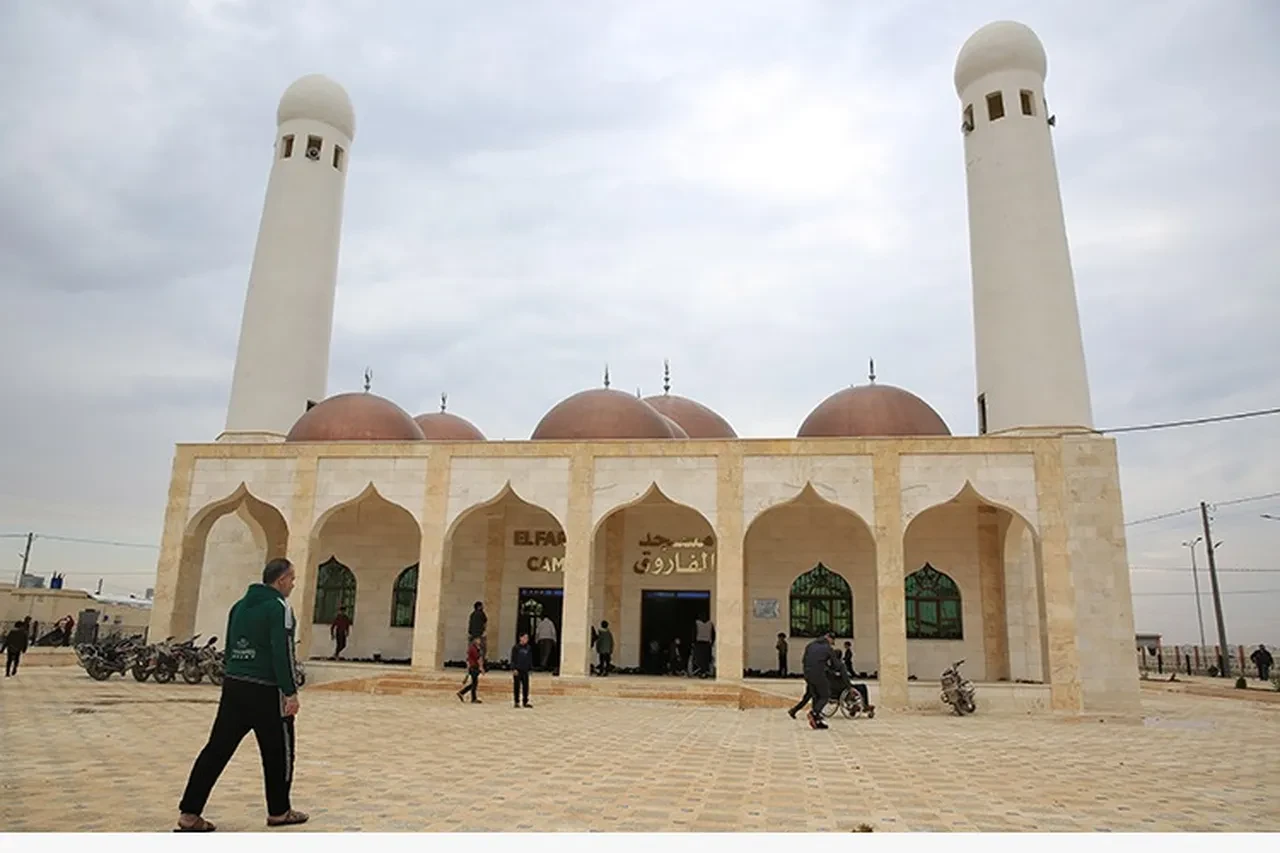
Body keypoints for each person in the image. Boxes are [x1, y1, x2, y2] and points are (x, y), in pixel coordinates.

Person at [175, 558, 308, 832]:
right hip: (266, 689)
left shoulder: (239, 606)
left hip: (235, 686)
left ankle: (189, 813)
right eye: (292, 579)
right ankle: (279, 811)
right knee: (279, 752)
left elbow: (231, 645)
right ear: (281, 580)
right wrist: (290, 692)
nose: (293, 585)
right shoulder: (278, 607)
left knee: (216, 750)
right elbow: (282, 651)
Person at [802, 632, 841, 730]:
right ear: (829, 639)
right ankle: (814, 713)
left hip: (807, 673)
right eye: (832, 641)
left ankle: (817, 720)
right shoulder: (828, 648)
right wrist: (835, 671)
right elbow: (835, 664)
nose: (832, 643)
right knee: (825, 695)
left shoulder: (810, 645)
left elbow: (804, 660)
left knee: (816, 696)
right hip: (818, 674)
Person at [510, 633, 534, 708]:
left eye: (527, 638)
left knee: (526, 687)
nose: (526, 639)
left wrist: (530, 668)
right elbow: (513, 659)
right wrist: (514, 669)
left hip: (525, 670)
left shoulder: (528, 648)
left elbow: (529, 659)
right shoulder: (516, 648)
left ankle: (525, 701)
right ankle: (516, 702)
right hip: (517, 670)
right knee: (517, 686)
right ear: (520, 638)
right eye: (524, 638)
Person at [457, 637, 484, 703]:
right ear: (474, 640)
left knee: (474, 683)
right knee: (474, 683)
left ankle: (464, 694)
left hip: (474, 667)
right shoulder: (473, 648)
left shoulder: (475, 648)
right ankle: (467, 695)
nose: (479, 641)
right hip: (474, 667)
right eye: (478, 639)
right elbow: (478, 658)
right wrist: (481, 668)